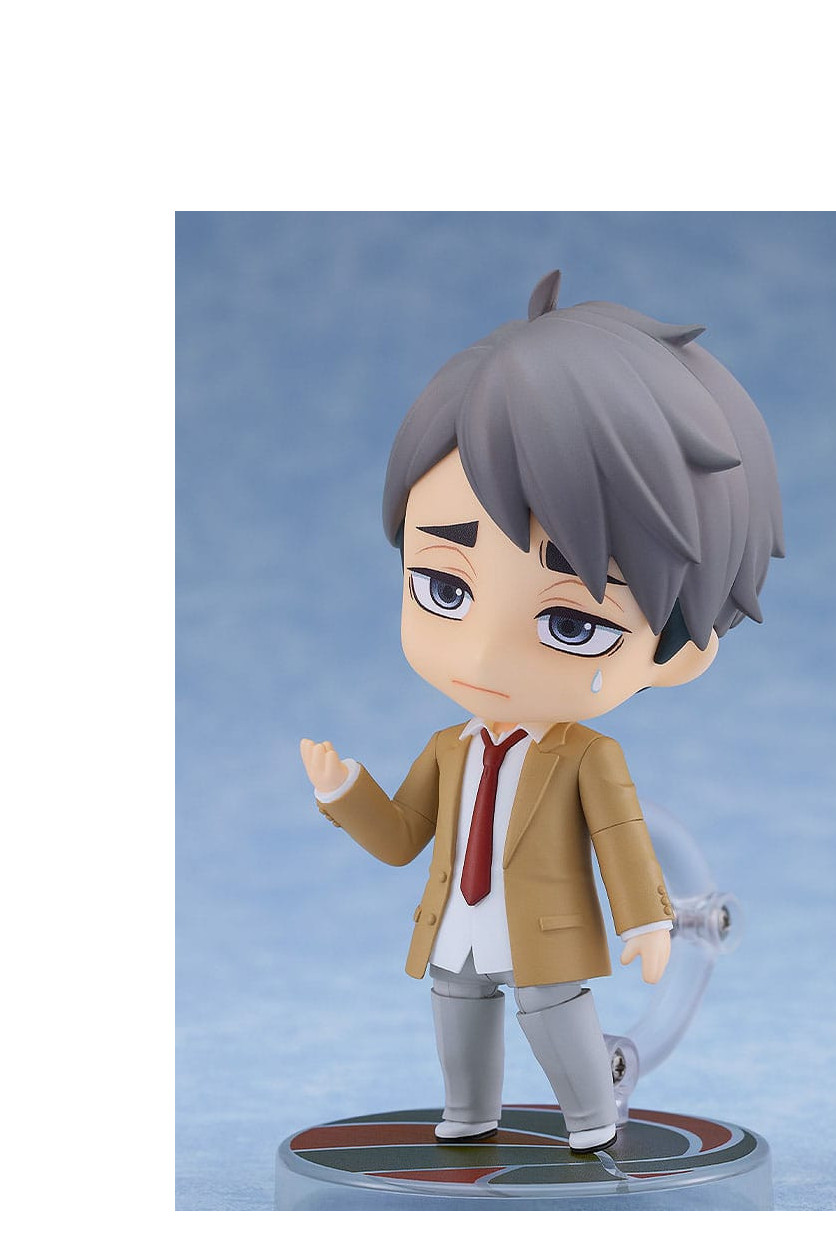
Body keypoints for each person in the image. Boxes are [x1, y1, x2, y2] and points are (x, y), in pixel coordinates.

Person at [301, 269, 783, 1152]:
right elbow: (405, 836)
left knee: (555, 1020)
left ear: (678, 652)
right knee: (457, 1012)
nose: (485, 658)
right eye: (444, 589)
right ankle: (469, 1114)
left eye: (571, 624)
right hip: (455, 930)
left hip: (547, 938)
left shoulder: (587, 758)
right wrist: (345, 794)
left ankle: (591, 1119)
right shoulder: (450, 746)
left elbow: (621, 840)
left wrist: (647, 921)